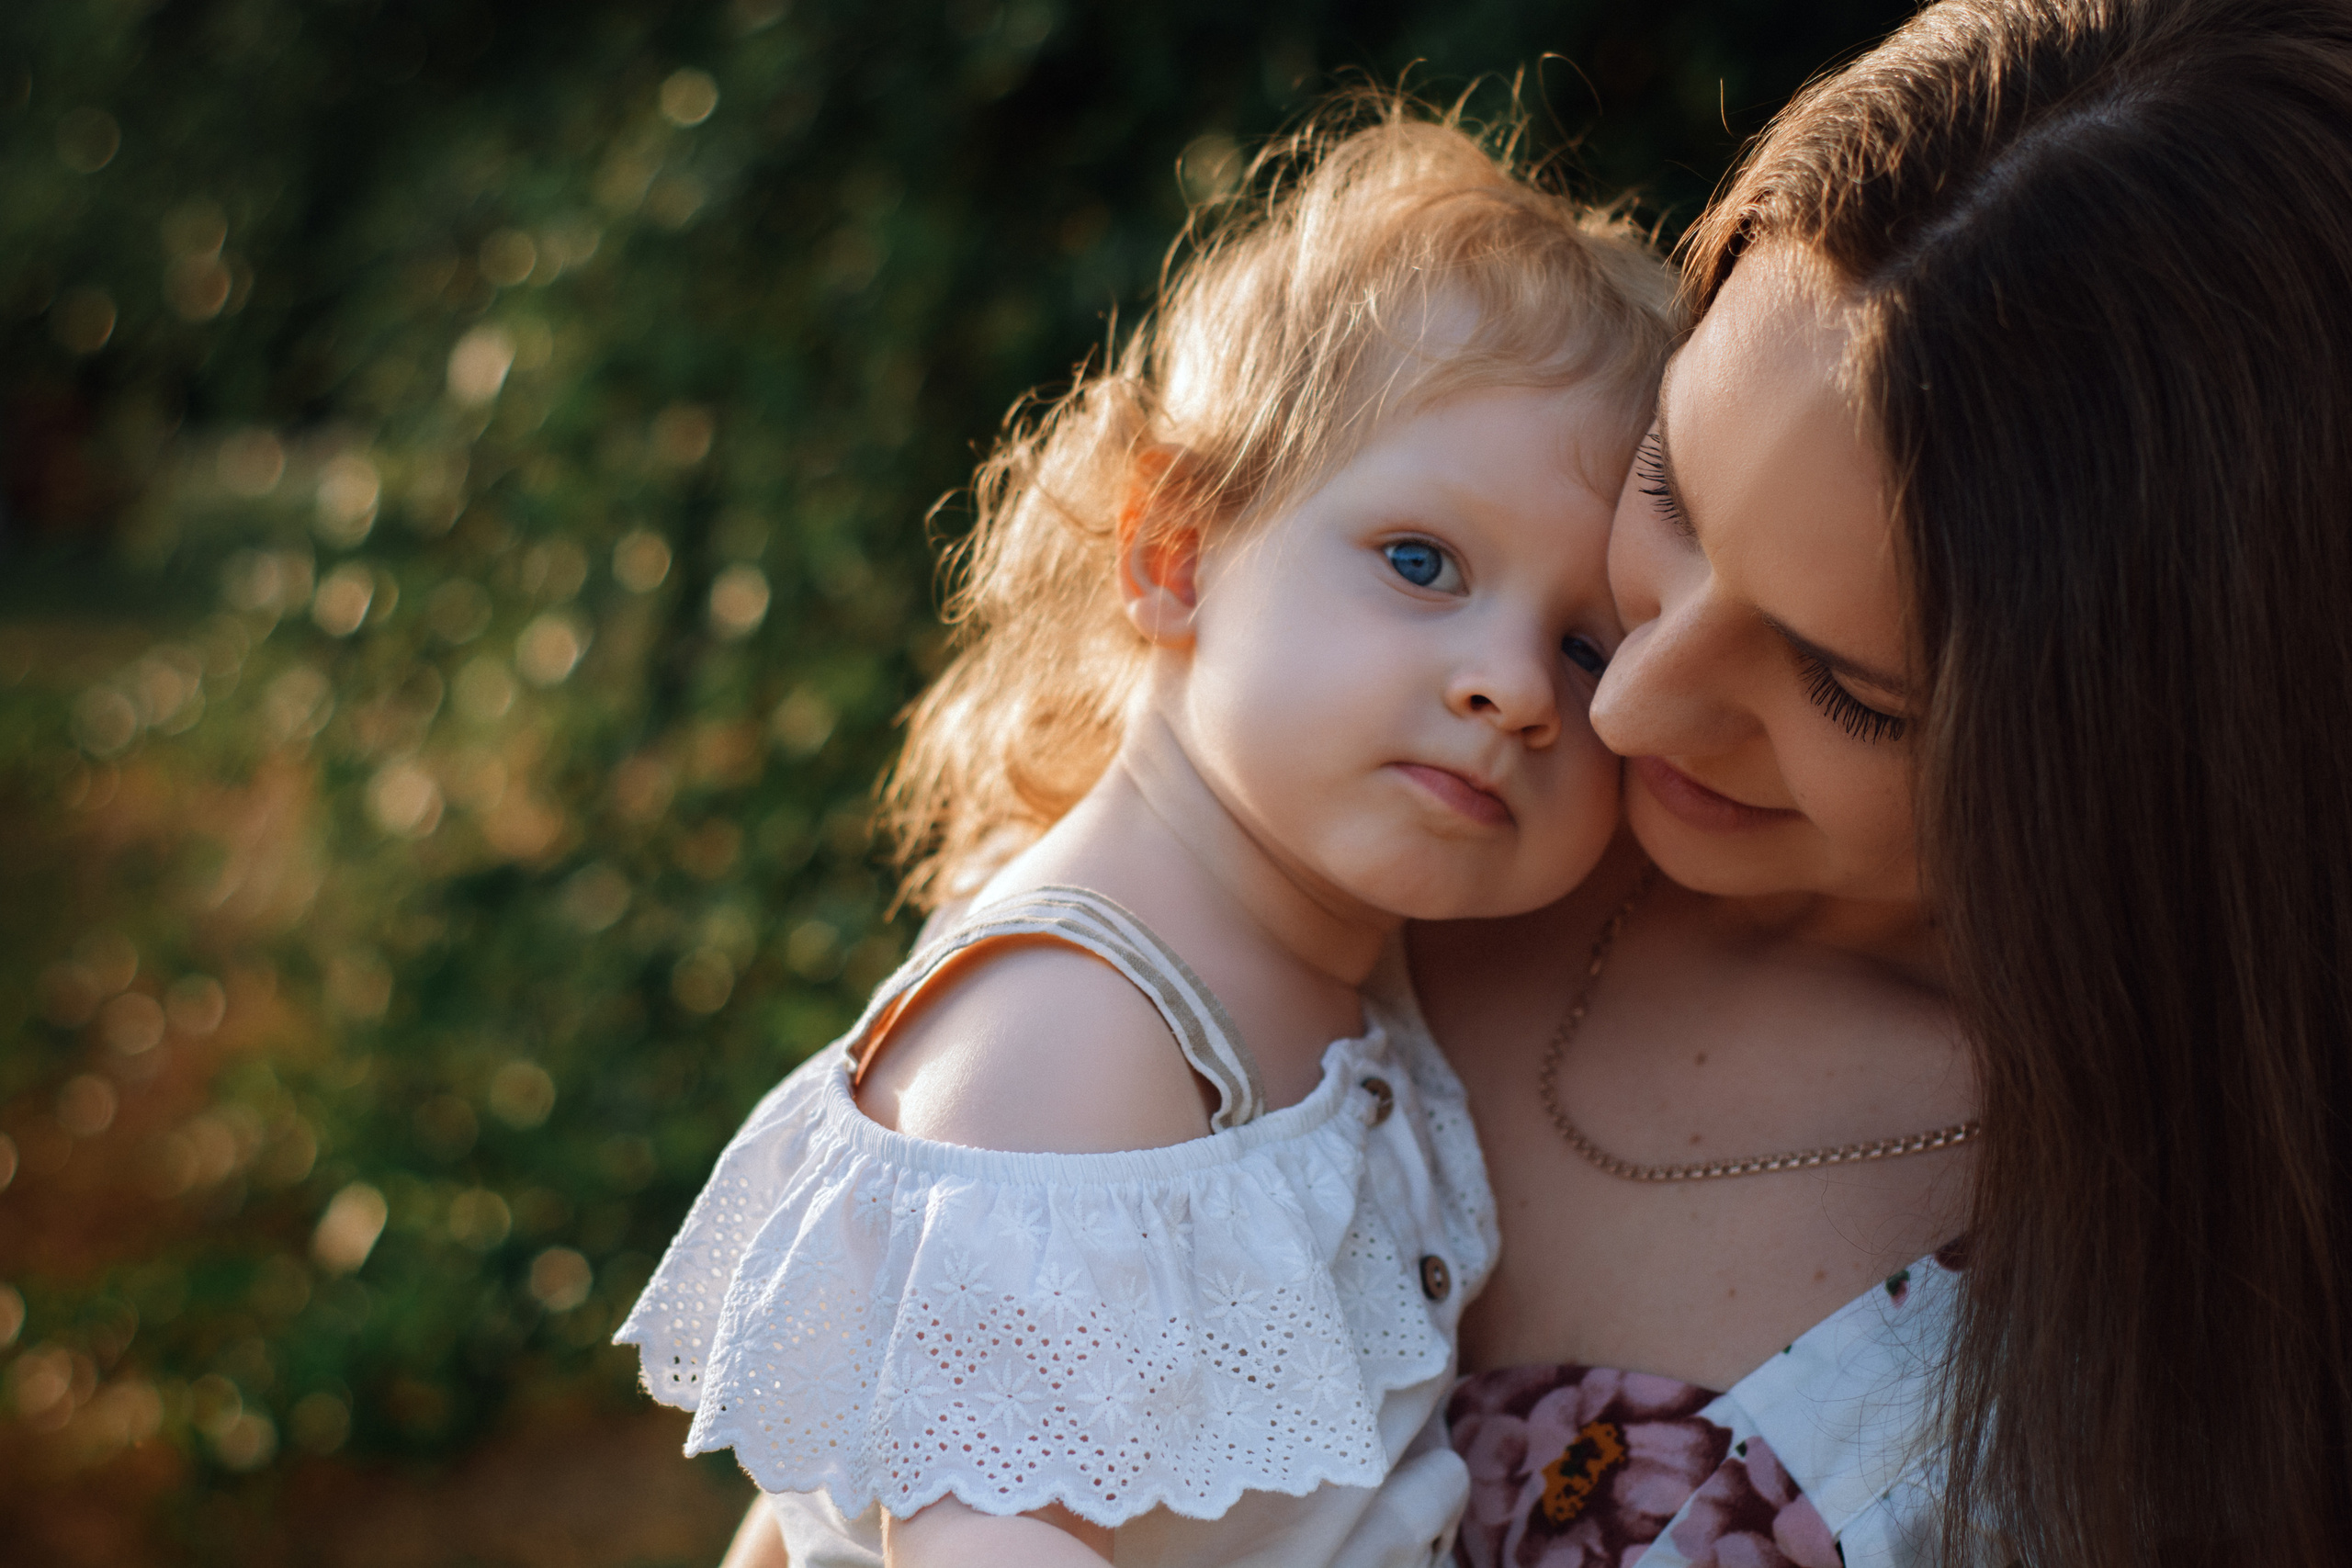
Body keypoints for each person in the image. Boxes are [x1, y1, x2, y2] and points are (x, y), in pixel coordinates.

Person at [618, 105, 1679, 1568]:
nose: (1512, 685)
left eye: (1586, 645)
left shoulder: (1345, 968)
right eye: (1421, 562)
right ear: (1175, 551)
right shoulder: (1072, 1033)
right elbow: (985, 1542)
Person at [1419, 0, 2352, 1563]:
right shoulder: (1390, 739)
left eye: (1851, 691)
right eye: (1671, 487)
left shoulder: (2203, 1303)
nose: (1630, 705)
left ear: (2171, 764)